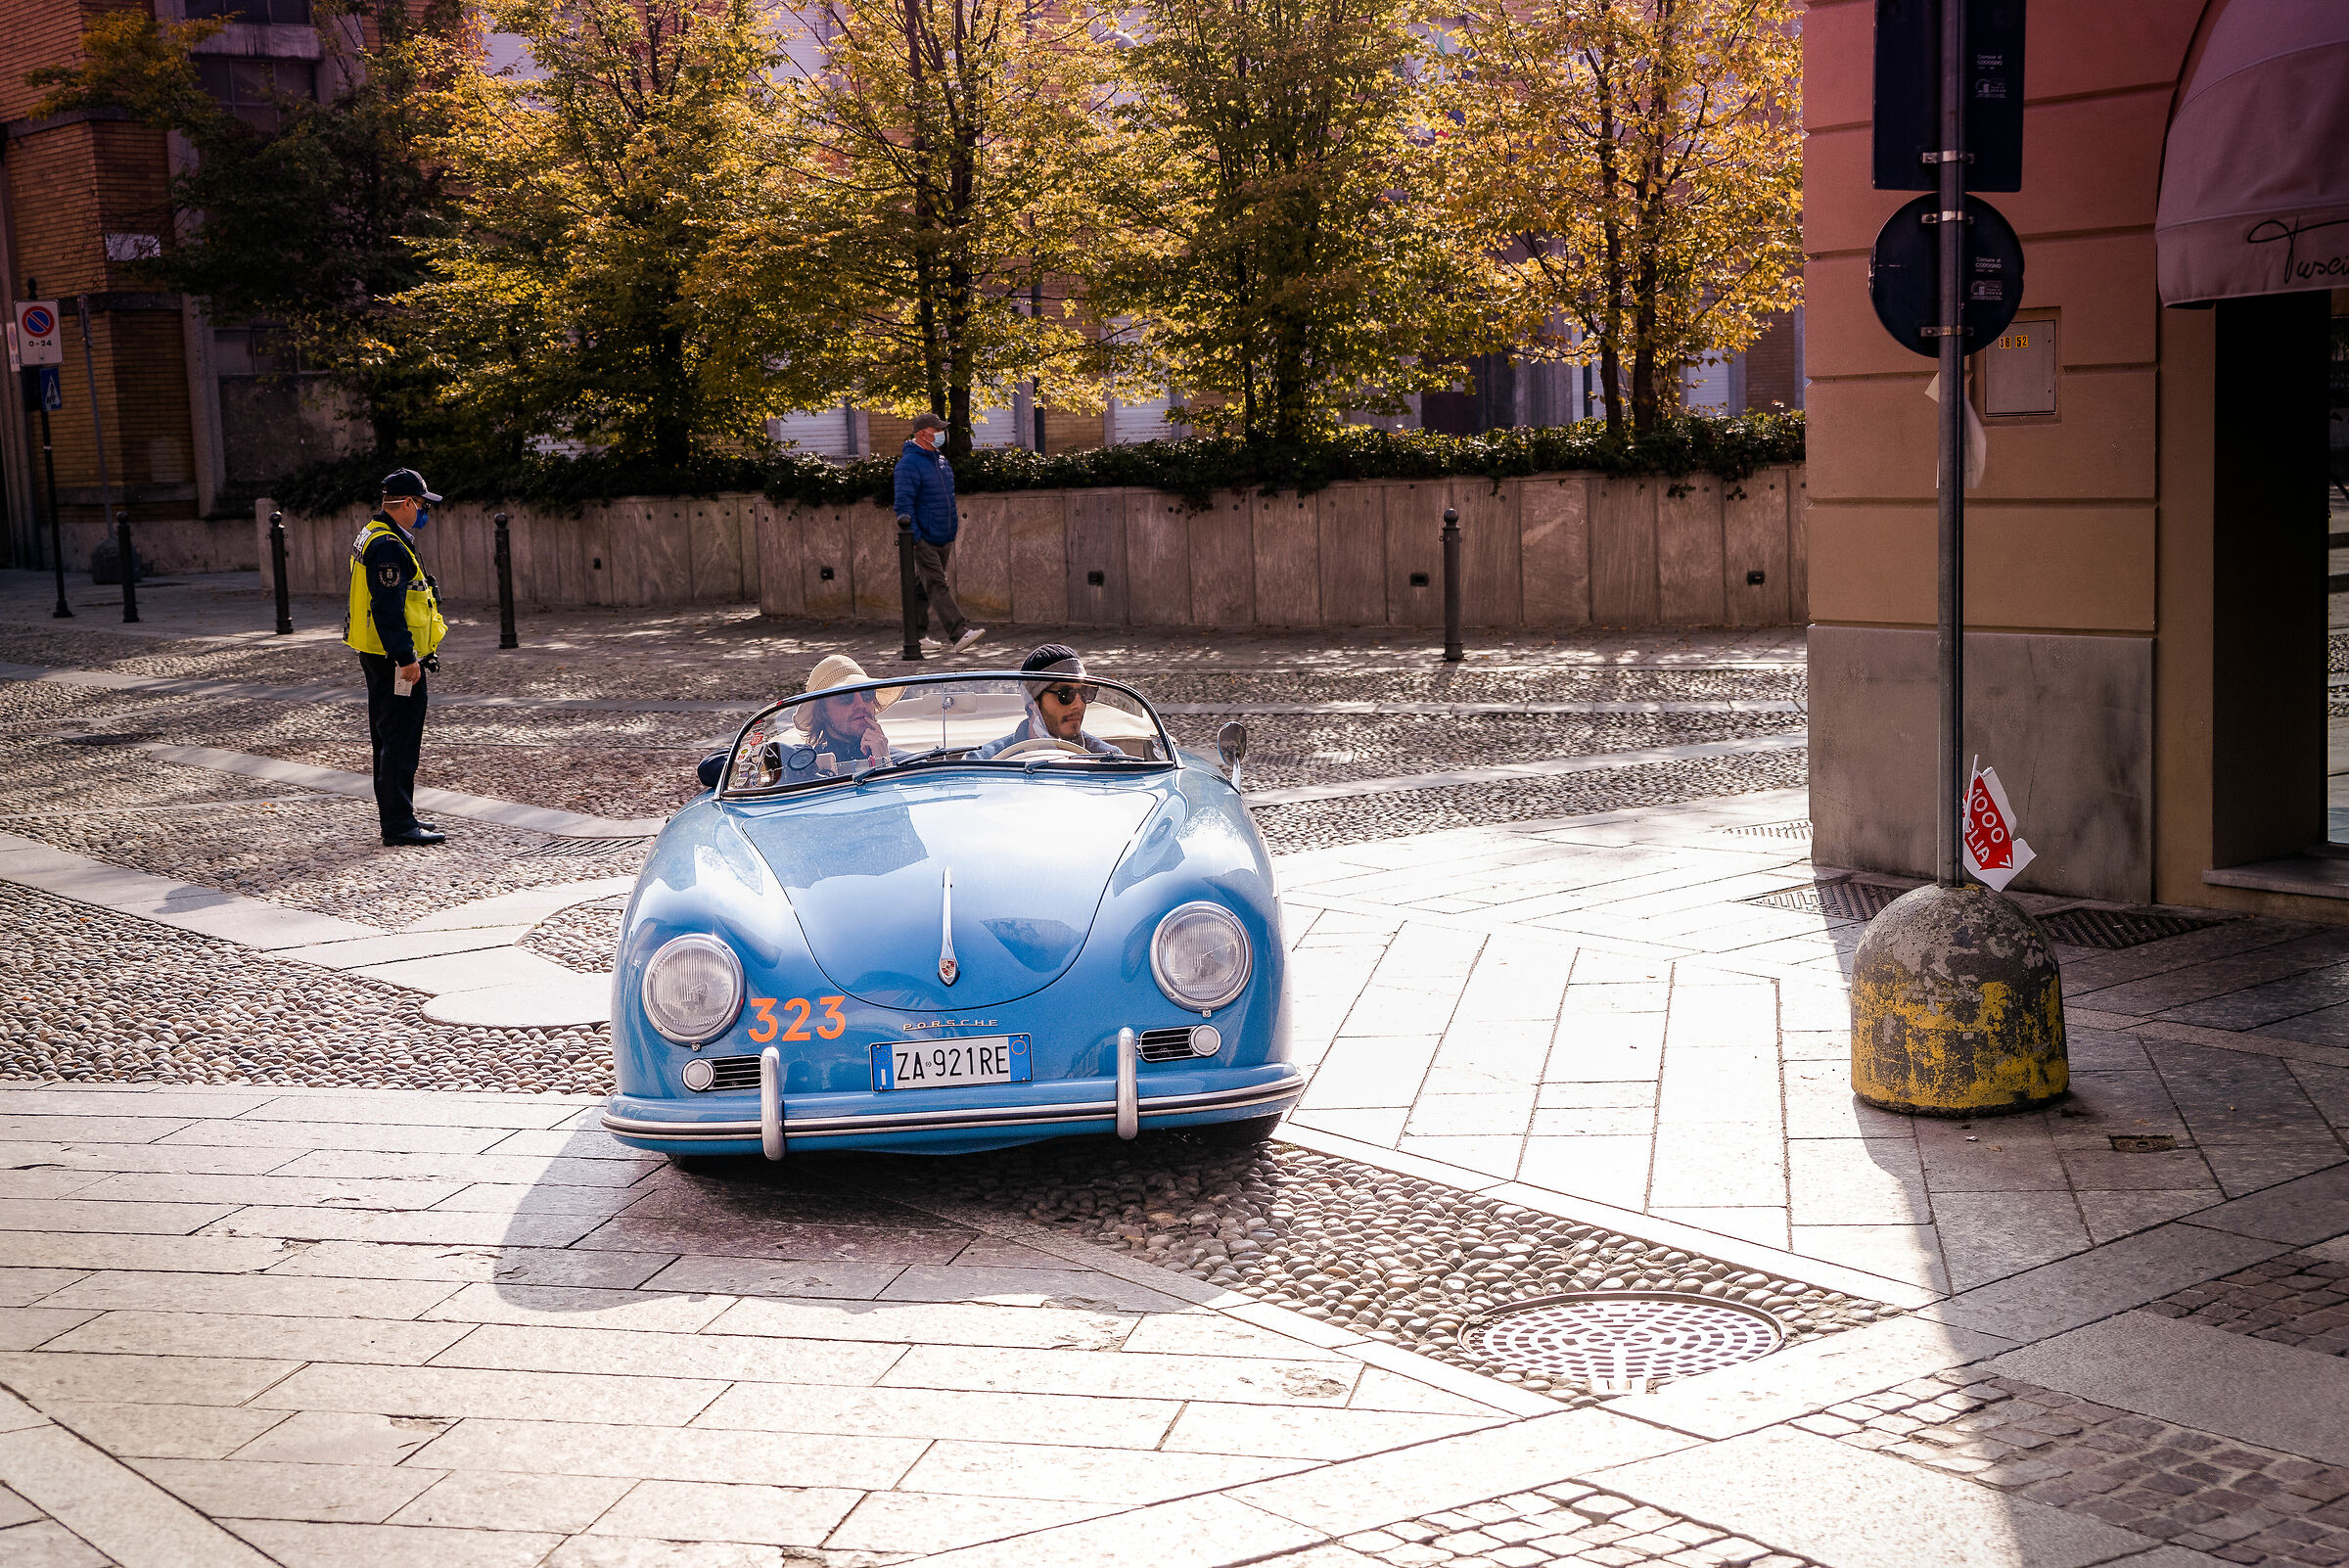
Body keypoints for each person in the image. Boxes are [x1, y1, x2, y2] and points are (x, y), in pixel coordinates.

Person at [344, 469, 448, 847]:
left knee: (389, 738)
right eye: (422, 504)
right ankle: (399, 824)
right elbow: (387, 608)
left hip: (377, 653)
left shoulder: (374, 533)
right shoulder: (387, 545)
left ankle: (400, 815)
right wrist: (407, 658)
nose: (424, 511)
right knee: (400, 741)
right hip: (393, 659)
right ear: (406, 503)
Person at [698, 654, 900, 789]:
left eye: (866, 694)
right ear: (822, 713)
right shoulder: (805, 761)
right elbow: (709, 767)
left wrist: (885, 763)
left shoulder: (900, 758)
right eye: (845, 698)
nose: (860, 704)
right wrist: (789, 760)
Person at [894, 413, 986, 656]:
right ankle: (958, 632)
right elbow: (903, 502)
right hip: (922, 536)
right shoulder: (909, 464)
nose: (942, 434)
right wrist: (912, 536)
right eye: (938, 430)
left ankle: (917, 635)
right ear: (924, 433)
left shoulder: (940, 460)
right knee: (936, 583)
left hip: (943, 535)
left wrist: (951, 529)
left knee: (922, 587)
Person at [972, 644, 1126, 760]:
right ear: (1033, 705)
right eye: (1065, 694)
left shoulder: (1110, 759)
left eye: (1085, 692)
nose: (1078, 704)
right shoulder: (985, 760)